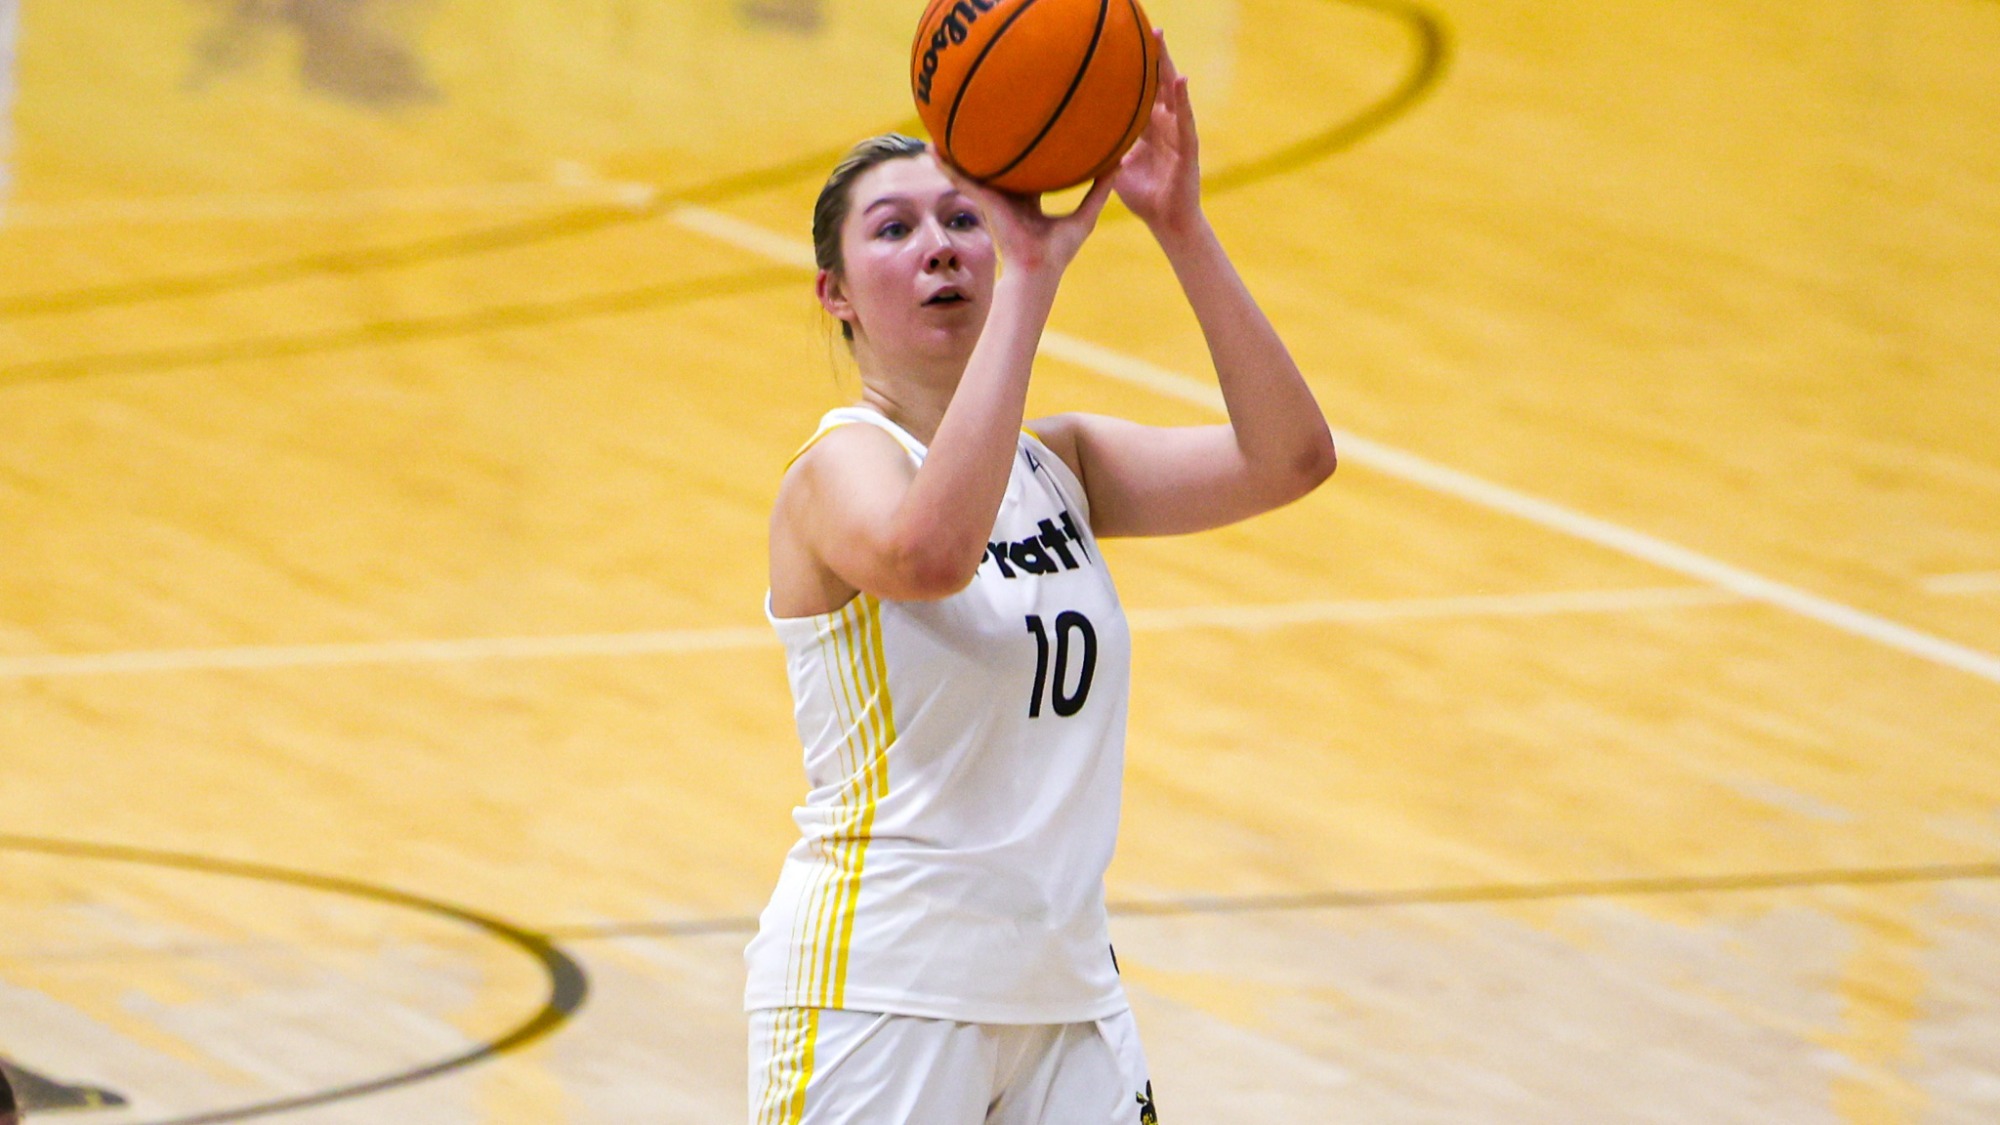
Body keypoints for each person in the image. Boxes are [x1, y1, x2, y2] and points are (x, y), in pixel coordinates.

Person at [746, 36, 1336, 1124]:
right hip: (881, 989)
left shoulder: (1058, 466)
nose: (940, 248)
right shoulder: (836, 470)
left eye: (962, 219)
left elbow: (1288, 458)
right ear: (834, 294)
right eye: (896, 229)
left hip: (1066, 997)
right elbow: (928, 556)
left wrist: (1181, 229)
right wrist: (1029, 273)